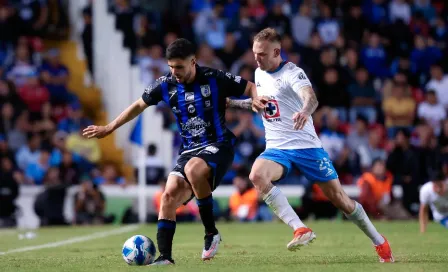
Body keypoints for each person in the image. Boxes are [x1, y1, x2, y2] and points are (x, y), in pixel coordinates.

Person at [83, 38, 261, 265]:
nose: (174, 72)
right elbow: (138, 104)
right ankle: (165, 257)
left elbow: (250, 87)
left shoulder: (215, 78)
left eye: (179, 66)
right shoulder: (165, 84)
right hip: (189, 150)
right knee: (168, 196)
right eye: (171, 66)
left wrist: (256, 99)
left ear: (193, 62)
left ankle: (211, 233)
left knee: (193, 169)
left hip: (218, 145)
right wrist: (109, 127)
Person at [228, 28, 394, 263]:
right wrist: (234, 103)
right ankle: (300, 228)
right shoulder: (258, 73)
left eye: (262, 54)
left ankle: (379, 241)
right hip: (277, 148)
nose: (256, 58)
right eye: (255, 53)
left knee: (341, 200)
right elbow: (259, 104)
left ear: (276, 51)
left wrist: (305, 112)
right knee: (257, 175)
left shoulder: (292, 72)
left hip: (307, 147)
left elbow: (311, 97)